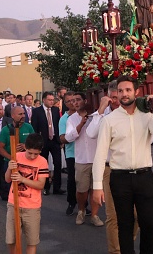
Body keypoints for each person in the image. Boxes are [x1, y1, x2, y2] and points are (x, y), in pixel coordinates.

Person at [93, 75, 153, 254]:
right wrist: (97, 187)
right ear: (116, 94)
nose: (124, 94)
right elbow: (100, 154)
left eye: (128, 90)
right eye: (120, 91)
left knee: (148, 223)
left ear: (136, 92)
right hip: (120, 179)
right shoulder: (109, 120)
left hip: (144, 176)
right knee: (124, 224)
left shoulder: (148, 116)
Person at [5, 133, 49, 254]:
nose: (32, 156)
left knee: (32, 241)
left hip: (32, 207)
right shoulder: (16, 156)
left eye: (36, 153)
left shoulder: (42, 162)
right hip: (14, 203)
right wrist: (9, 168)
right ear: (25, 147)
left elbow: (41, 185)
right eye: (29, 152)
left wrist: (23, 179)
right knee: (11, 239)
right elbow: (7, 179)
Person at [65, 92, 104, 227]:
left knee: (95, 188)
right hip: (81, 159)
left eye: (78, 100)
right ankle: (81, 211)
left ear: (85, 101)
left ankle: (94, 214)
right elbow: (69, 137)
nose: (75, 103)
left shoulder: (96, 116)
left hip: (96, 158)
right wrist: (81, 124)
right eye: (73, 101)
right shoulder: (71, 119)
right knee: (82, 189)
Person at [0, 106, 35, 200]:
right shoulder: (6, 130)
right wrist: (12, 157)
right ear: (13, 116)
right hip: (10, 163)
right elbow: (0, 148)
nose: (23, 116)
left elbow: (35, 144)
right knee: (10, 186)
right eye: (20, 114)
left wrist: (25, 147)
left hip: (26, 163)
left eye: (24, 114)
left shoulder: (29, 127)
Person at [31, 92, 65, 195]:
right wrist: (37, 142)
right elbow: (35, 127)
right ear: (44, 100)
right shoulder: (37, 111)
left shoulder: (55, 110)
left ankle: (57, 187)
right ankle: (45, 186)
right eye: (49, 100)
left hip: (54, 140)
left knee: (58, 163)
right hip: (43, 141)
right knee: (44, 165)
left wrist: (60, 139)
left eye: (52, 100)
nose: (52, 102)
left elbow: (58, 125)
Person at [59, 91, 78, 215]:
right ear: (65, 103)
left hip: (85, 154)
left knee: (84, 181)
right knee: (72, 179)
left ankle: (84, 205)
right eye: (69, 101)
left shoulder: (84, 115)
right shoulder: (64, 119)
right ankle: (71, 203)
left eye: (74, 100)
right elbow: (62, 138)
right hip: (71, 153)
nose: (72, 103)